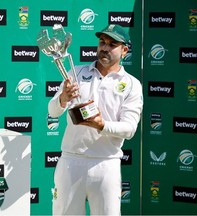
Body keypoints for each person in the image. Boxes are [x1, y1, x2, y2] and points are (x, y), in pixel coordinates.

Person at [48, 24, 143, 215]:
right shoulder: (76, 72)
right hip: (71, 161)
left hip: (106, 164)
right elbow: (53, 111)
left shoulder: (132, 84)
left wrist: (102, 125)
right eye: (102, 42)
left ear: (124, 50)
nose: (105, 47)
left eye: (112, 44)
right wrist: (63, 98)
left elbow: (130, 128)